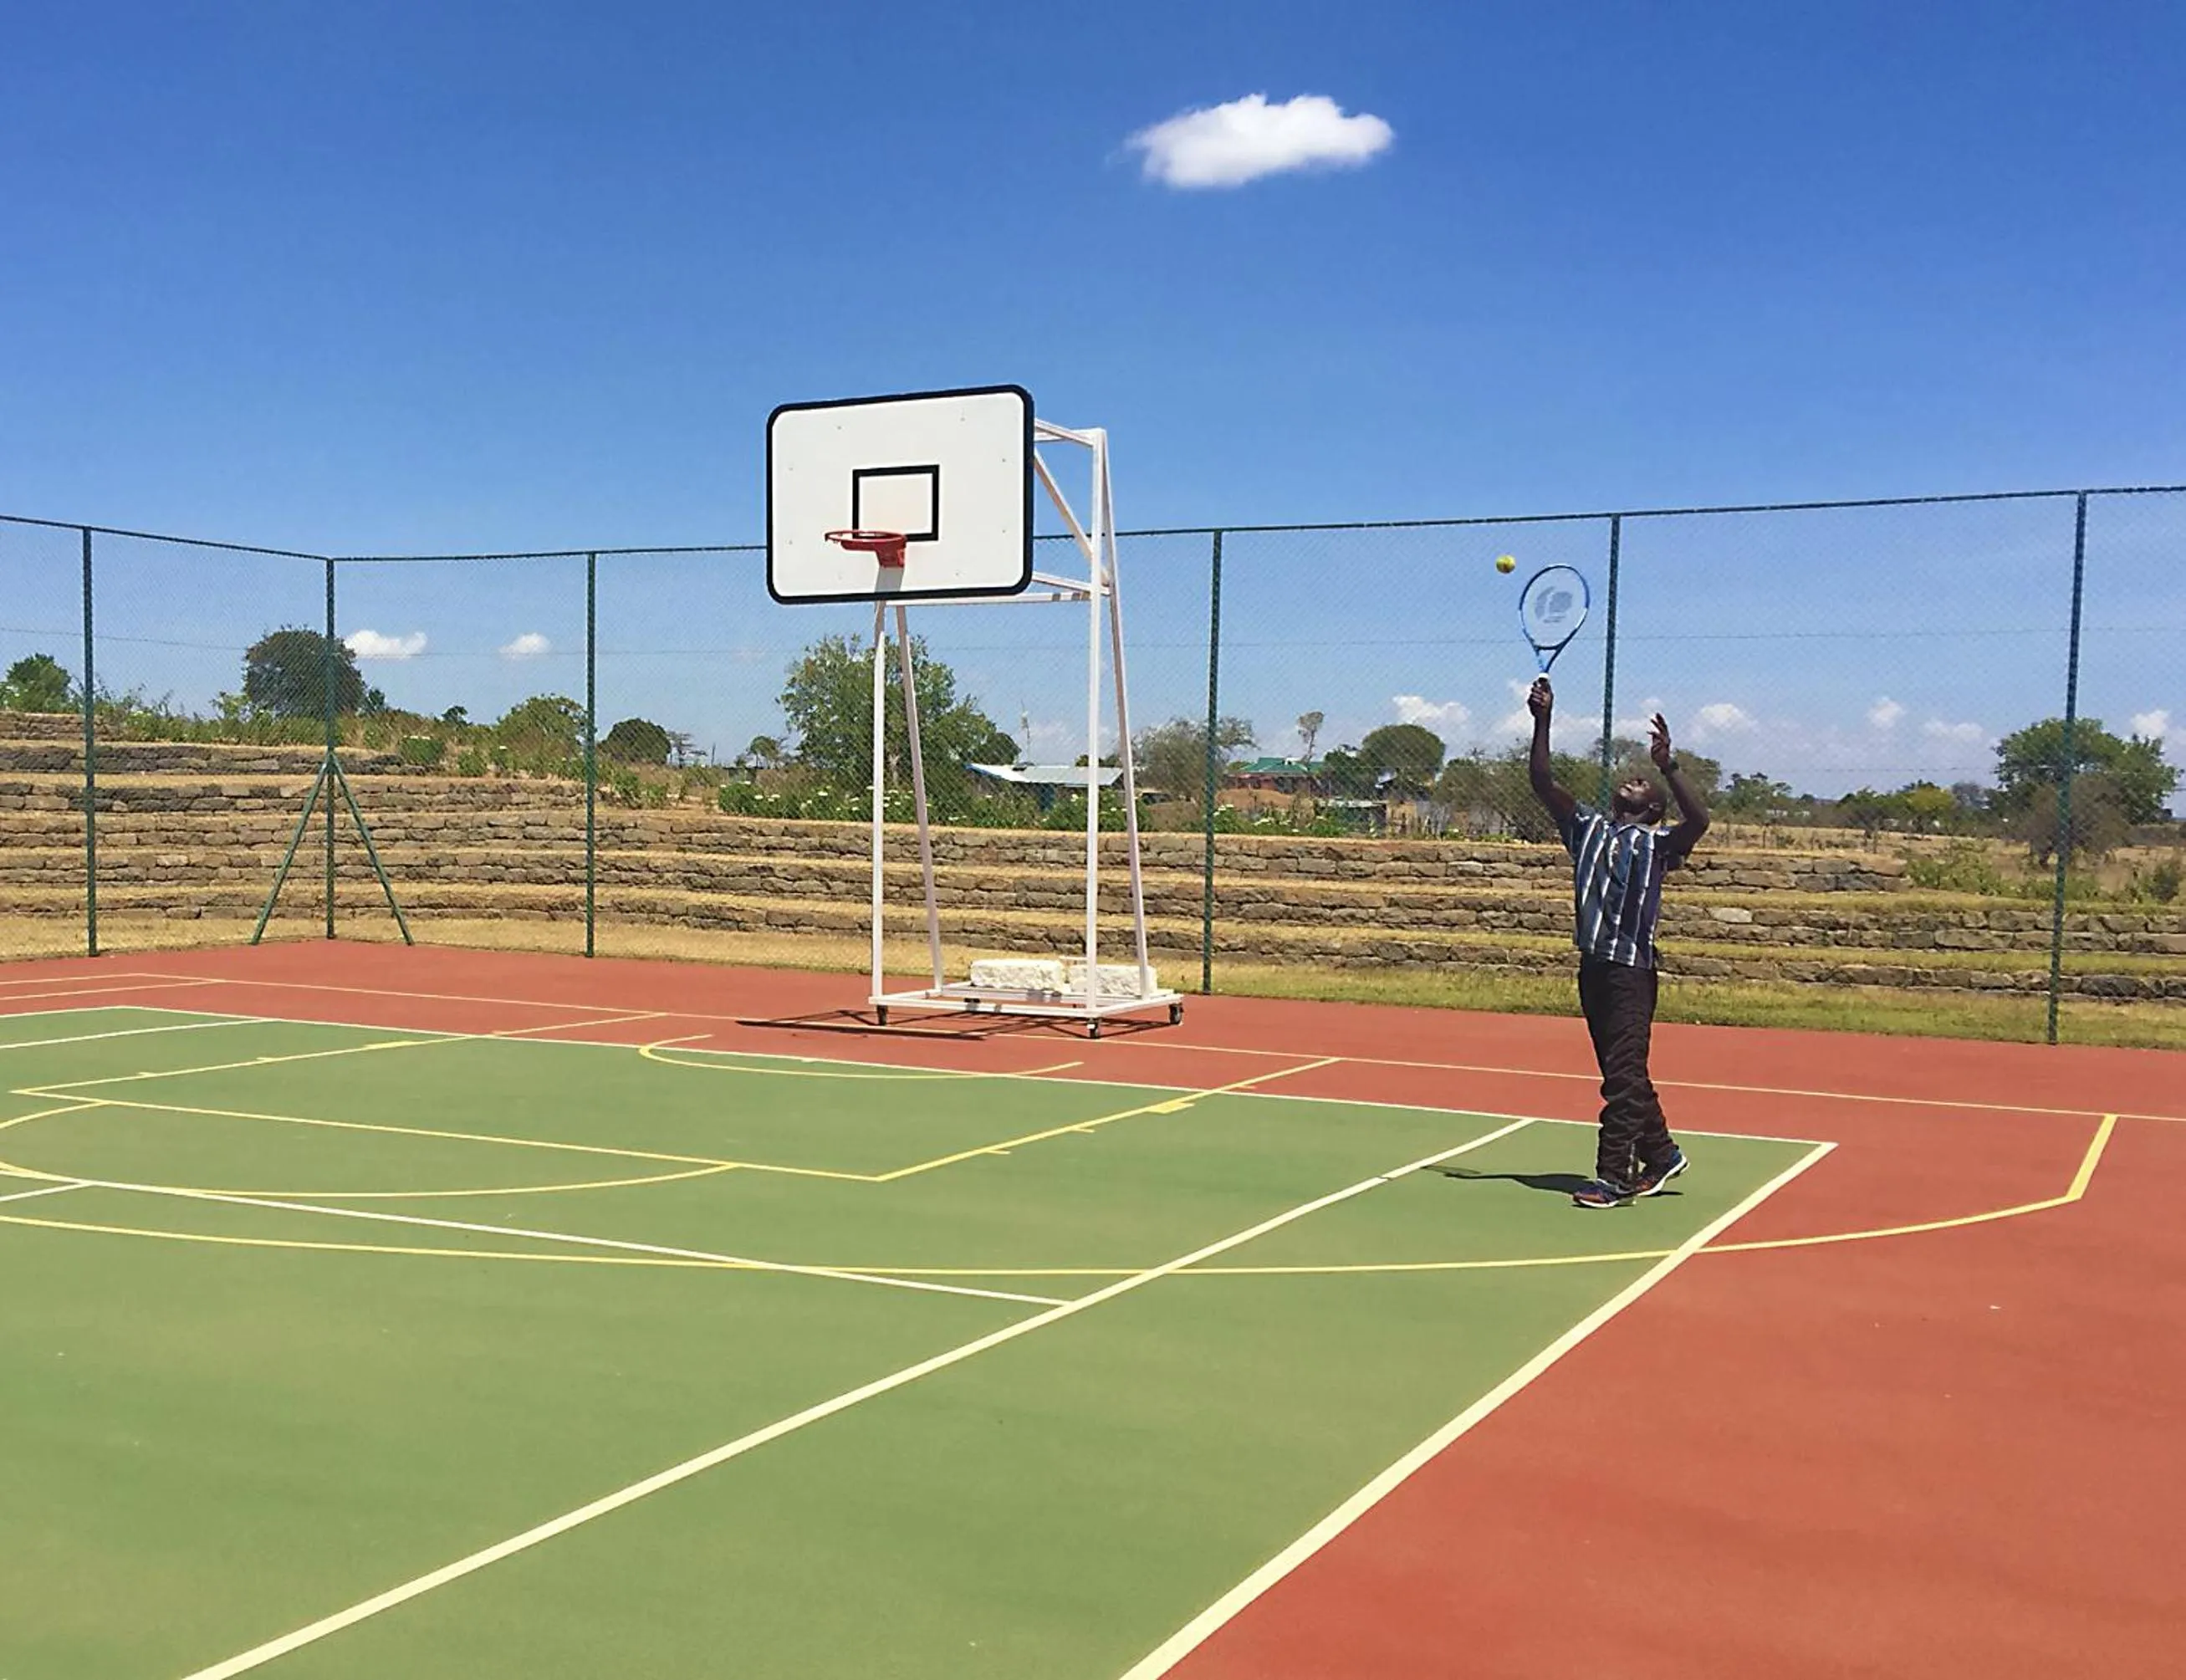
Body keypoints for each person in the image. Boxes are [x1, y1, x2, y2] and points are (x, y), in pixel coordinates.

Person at [1526, 677, 1710, 1208]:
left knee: (1623, 1078)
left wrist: (1668, 767)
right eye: (1631, 778)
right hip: (1594, 969)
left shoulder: (1659, 845)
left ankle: (1613, 1177)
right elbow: (1541, 780)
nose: (1633, 778)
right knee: (1621, 1071)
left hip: (1632, 975)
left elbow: (1699, 819)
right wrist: (1542, 719)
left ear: (1654, 809)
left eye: (1642, 782)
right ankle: (1661, 1154)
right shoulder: (1586, 828)